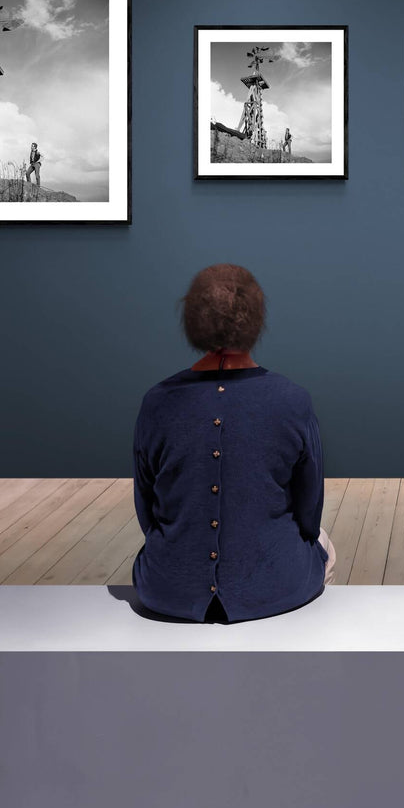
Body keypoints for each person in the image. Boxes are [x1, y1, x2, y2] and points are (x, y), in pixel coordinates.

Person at [131, 264, 335, 622]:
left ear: (192, 321)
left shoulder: (156, 402)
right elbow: (309, 512)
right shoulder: (293, 400)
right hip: (275, 587)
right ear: (256, 320)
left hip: (166, 590)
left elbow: (148, 513)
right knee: (325, 542)